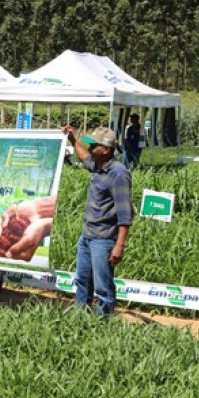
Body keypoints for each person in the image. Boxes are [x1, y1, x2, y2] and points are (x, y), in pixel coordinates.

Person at [63, 125, 134, 316]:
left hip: (104, 240)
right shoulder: (98, 166)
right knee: (83, 280)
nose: (91, 148)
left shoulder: (118, 174)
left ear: (107, 149)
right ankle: (81, 318)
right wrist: (72, 139)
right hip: (87, 237)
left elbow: (125, 214)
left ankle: (102, 324)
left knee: (103, 287)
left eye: (95, 145)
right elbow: (83, 157)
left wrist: (119, 245)